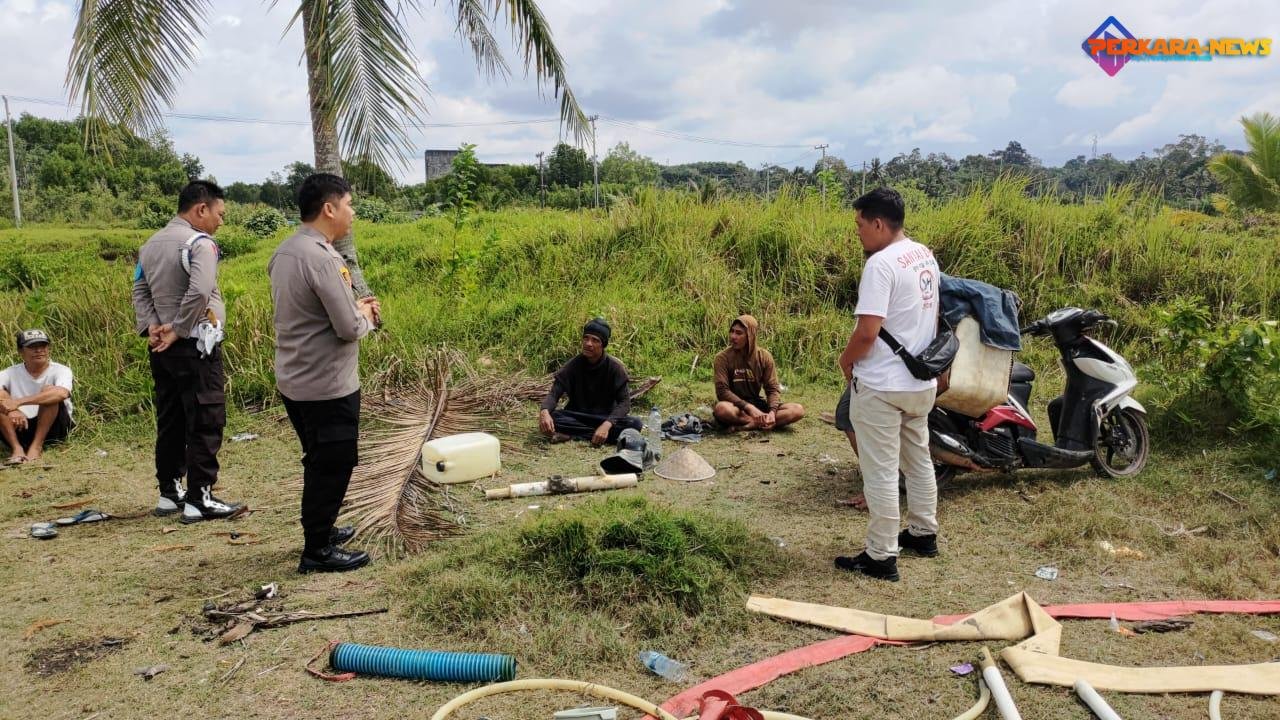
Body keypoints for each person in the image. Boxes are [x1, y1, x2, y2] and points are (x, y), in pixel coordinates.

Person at [269, 173, 380, 574]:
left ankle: (323, 528)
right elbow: (348, 327)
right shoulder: (321, 257)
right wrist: (365, 314)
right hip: (327, 384)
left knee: (318, 458)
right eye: (349, 205)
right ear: (329, 208)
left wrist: (355, 311)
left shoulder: (285, 252)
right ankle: (317, 549)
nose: (352, 214)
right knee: (332, 462)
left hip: (296, 378)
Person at [835, 187, 940, 582]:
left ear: (879, 223)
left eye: (860, 225)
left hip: (882, 384)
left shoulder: (880, 265)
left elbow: (867, 332)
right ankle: (923, 533)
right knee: (918, 459)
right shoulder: (923, 254)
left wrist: (845, 362)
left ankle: (881, 555)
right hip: (919, 381)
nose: (858, 233)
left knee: (878, 470)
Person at [133, 180, 244, 522]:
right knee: (206, 418)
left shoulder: (149, 245)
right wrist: (179, 329)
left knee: (172, 418)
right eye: (219, 213)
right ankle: (200, 497)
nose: (221, 221)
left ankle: (170, 492)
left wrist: (152, 326)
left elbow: (140, 290)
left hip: (161, 348)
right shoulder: (200, 243)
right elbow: (199, 291)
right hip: (195, 344)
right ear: (201, 209)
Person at [538, 318, 643, 446]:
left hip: (604, 417)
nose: (588, 343)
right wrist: (544, 411)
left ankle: (573, 435)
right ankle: (594, 436)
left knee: (635, 424)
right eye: (586, 338)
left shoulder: (615, 368)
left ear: (603, 344)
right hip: (577, 416)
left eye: (595, 340)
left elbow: (624, 403)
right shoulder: (572, 365)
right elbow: (554, 394)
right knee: (552, 418)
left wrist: (606, 425)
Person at [712, 315, 805, 430]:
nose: (733, 337)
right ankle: (759, 423)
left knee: (797, 410)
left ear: (750, 336)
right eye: (732, 332)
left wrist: (772, 412)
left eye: (739, 333)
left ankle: (752, 424)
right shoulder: (722, 358)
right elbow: (722, 391)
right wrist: (749, 408)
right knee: (721, 409)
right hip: (736, 406)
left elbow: (772, 388)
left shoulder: (764, 357)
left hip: (758, 404)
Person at [0, 329, 74, 463]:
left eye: (43, 346)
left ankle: (36, 447)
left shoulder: (61, 370)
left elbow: (62, 393)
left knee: (50, 392)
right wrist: (12, 409)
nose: (39, 350)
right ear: (21, 351)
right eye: (33, 347)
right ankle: (17, 448)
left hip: (54, 427)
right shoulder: (8, 373)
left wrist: (17, 403)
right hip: (20, 426)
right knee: (2, 396)